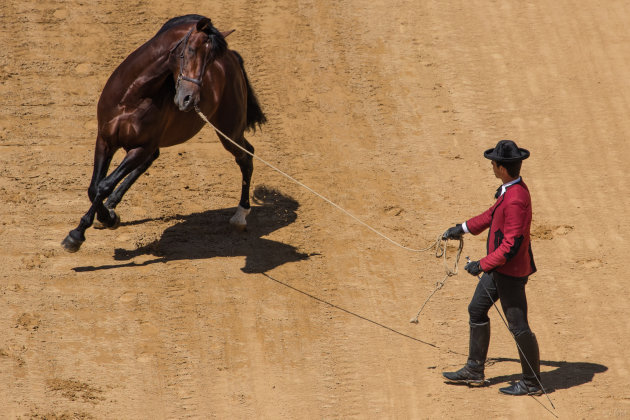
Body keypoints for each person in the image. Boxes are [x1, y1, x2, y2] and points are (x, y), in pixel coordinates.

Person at [441, 140, 542, 396]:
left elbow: (511, 245)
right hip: (499, 269)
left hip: (510, 272)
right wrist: (461, 228)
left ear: (502, 168)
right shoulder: (510, 189)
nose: (492, 166)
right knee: (476, 309)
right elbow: (490, 215)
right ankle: (474, 370)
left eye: (494, 164)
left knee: (518, 326)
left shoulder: (516, 199)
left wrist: (481, 265)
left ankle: (532, 382)